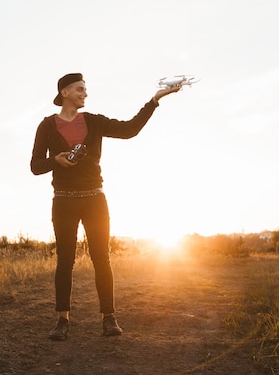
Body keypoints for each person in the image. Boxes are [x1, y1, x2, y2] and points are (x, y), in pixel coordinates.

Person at [30, 73, 181, 340]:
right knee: (65, 260)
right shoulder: (47, 126)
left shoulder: (95, 122)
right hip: (63, 200)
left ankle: (109, 318)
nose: (85, 94)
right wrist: (56, 160)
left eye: (85, 90)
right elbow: (35, 166)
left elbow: (130, 129)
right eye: (79, 89)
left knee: (102, 258)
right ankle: (62, 321)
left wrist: (155, 100)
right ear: (64, 93)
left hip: (94, 200)